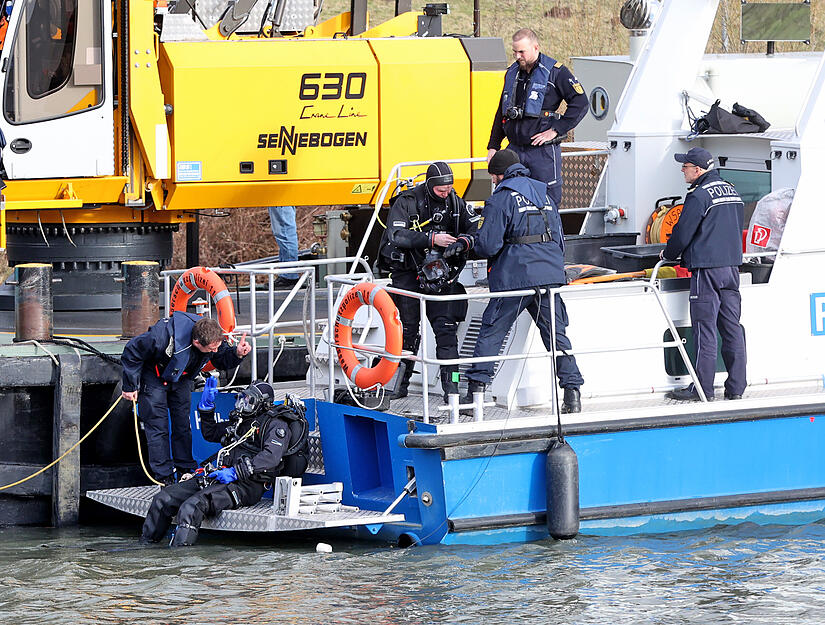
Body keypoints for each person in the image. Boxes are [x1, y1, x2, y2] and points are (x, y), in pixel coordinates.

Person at [446, 149, 584, 413]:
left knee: (491, 332)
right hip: (549, 277)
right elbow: (559, 239)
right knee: (557, 336)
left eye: (493, 176)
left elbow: (488, 245)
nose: (493, 181)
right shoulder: (545, 195)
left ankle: (475, 394)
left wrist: (469, 242)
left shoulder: (501, 198)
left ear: (499, 175)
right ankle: (572, 394)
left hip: (515, 277)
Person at [140, 380, 309, 546]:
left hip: (246, 486)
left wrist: (236, 472)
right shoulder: (241, 423)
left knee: (191, 508)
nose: (242, 404)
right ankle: (147, 547)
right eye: (242, 399)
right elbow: (211, 432)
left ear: (262, 403)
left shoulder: (275, 425)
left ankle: (180, 558)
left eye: (248, 401)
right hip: (220, 476)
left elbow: (271, 457)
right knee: (163, 499)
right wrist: (206, 409)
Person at [377, 161, 480, 400]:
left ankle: (452, 389)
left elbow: (476, 228)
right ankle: (398, 386)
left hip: (442, 276)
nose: (445, 193)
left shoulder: (455, 202)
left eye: (449, 189)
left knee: (447, 334)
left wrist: (463, 242)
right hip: (408, 274)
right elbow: (396, 234)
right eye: (440, 190)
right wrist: (432, 239)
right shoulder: (407, 202)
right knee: (406, 333)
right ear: (430, 185)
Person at [121, 313, 252, 484]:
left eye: (216, 347)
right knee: (158, 428)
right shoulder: (160, 337)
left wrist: (237, 354)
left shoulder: (212, 338)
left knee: (183, 425)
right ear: (197, 342)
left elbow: (221, 359)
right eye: (211, 349)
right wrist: (130, 385)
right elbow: (132, 351)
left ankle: (186, 470)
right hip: (154, 376)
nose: (214, 351)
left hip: (181, 377)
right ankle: (164, 478)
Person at [661, 147, 747, 402]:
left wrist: (668, 254)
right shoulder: (732, 190)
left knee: (705, 330)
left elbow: (682, 233)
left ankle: (703, 389)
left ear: (697, 170)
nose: (682, 170)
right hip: (731, 269)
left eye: (685, 166)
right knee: (732, 329)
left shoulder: (699, 196)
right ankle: (736, 388)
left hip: (707, 271)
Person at [487, 28, 588, 207]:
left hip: (542, 152)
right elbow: (501, 112)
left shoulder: (556, 72)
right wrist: (493, 146)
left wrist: (556, 130)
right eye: (514, 52)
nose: (517, 56)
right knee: (509, 201)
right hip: (514, 151)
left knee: (547, 202)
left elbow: (581, 102)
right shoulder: (512, 72)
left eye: (522, 52)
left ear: (535, 47)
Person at [268, 206, 300, 289]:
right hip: (279, 200)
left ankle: (289, 276)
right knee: (283, 233)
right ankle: (287, 274)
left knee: (285, 232)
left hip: (280, 200)